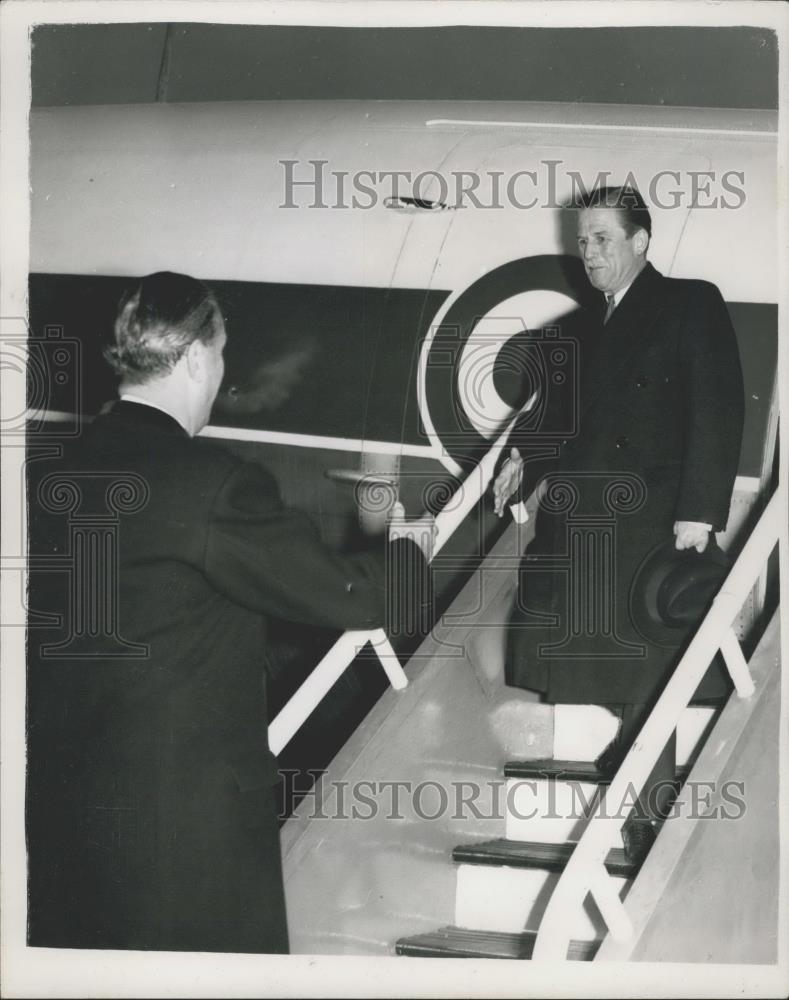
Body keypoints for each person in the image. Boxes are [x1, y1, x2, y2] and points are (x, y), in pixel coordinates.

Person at [26, 271, 434, 954]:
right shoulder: (212, 482)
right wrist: (409, 553)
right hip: (183, 830)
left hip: (72, 816)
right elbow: (353, 598)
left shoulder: (56, 473)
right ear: (192, 358)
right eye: (218, 355)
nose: (220, 372)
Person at [492, 186, 744, 860]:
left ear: (639, 241)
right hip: (584, 524)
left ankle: (645, 812)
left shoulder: (688, 303)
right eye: (582, 240)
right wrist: (522, 456)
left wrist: (698, 512)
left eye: (603, 237)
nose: (590, 251)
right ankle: (631, 762)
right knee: (605, 666)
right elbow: (556, 416)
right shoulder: (574, 328)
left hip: (652, 521)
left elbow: (716, 410)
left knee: (642, 668)